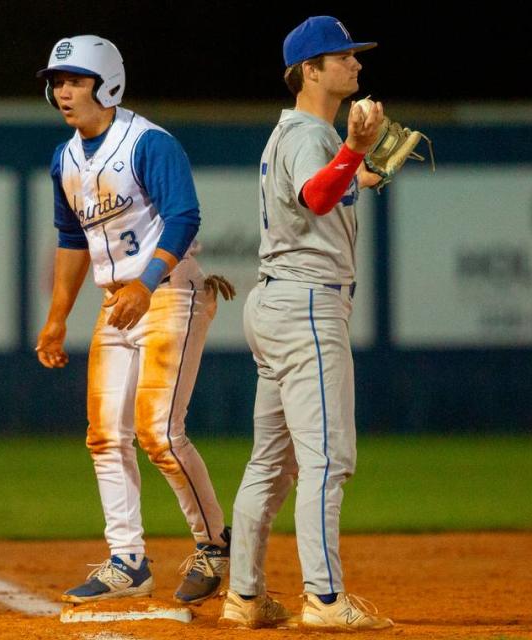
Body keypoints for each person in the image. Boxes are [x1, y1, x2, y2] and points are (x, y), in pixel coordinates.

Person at [34, 34, 235, 606]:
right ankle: (128, 560)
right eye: (57, 82)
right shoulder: (65, 158)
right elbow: (72, 238)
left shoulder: (148, 143)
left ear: (108, 83)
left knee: (160, 433)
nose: (64, 91)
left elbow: (184, 218)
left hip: (169, 293)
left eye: (75, 80)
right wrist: (56, 319)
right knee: (104, 436)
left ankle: (214, 545)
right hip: (115, 301)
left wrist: (146, 285)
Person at [218, 16, 392, 631]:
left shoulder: (296, 135)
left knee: (272, 461)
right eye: (342, 57)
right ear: (310, 70)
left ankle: (243, 595)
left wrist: (359, 172)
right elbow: (317, 196)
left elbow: (320, 194)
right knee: (327, 458)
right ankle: (323, 599)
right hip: (307, 310)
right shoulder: (311, 137)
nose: (356, 64)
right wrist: (354, 151)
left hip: (277, 307)